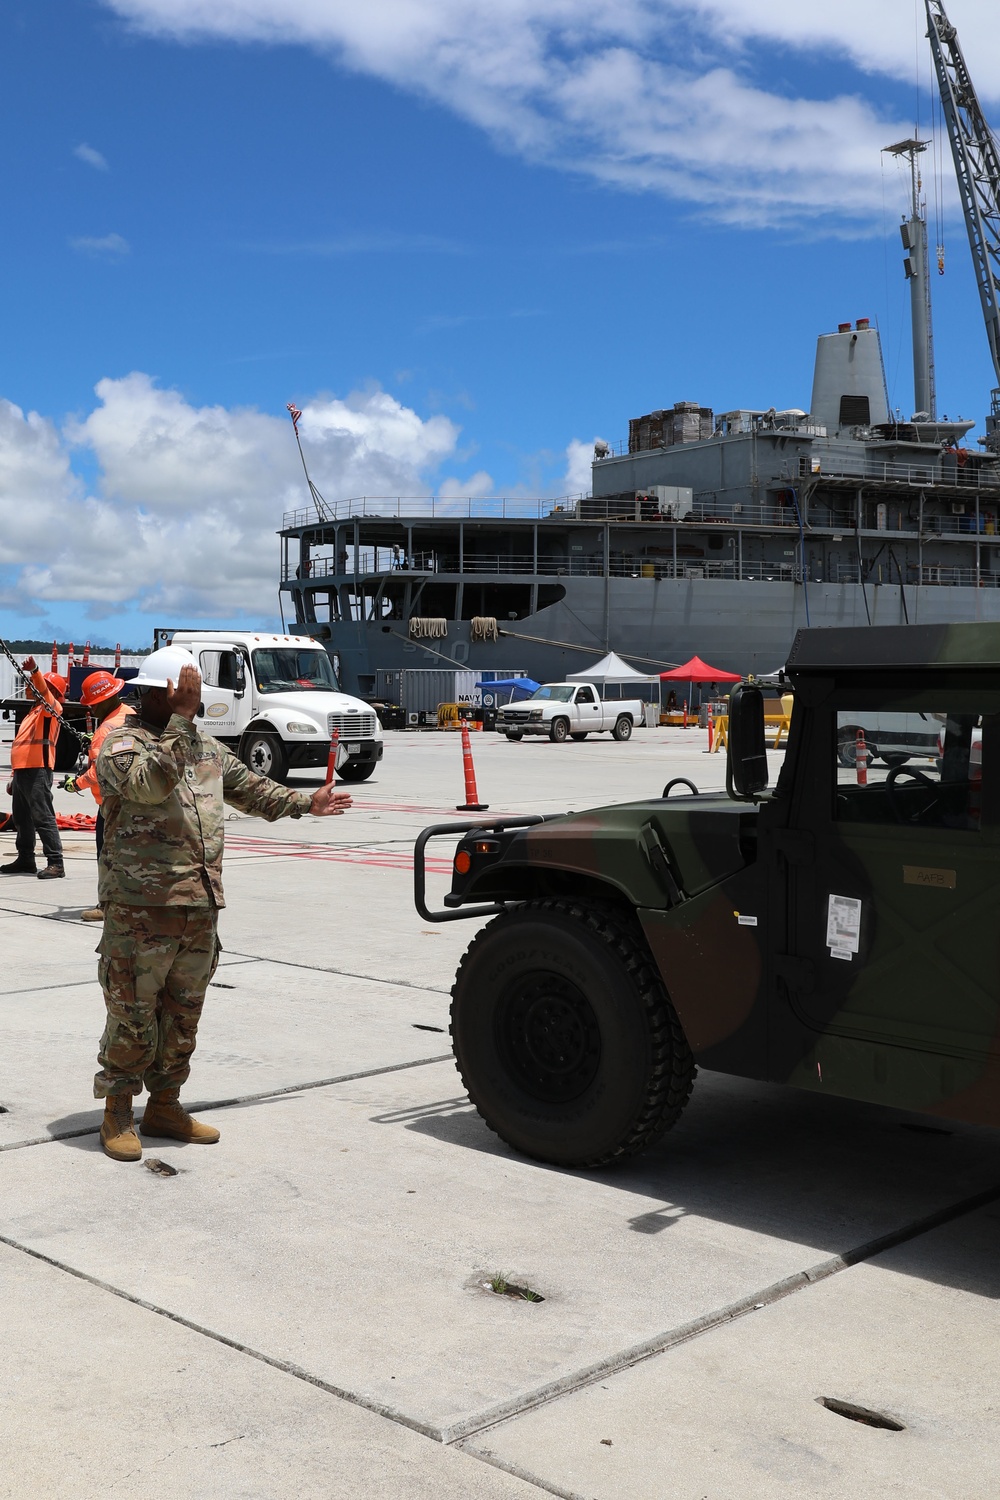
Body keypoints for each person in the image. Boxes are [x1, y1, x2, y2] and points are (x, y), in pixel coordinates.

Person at [93, 645, 353, 1163]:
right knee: (132, 1012)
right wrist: (183, 725)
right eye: (185, 696)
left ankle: (165, 1104)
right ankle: (118, 1110)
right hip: (141, 909)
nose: (194, 703)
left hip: (199, 905)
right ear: (158, 694)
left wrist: (307, 803)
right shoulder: (122, 744)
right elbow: (149, 786)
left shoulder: (205, 748)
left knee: (184, 1013)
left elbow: (251, 788)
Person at [64, 669, 130, 922]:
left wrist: (75, 784)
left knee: (107, 857)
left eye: (92, 705)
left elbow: (98, 770)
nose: (90, 710)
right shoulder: (129, 716)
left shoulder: (106, 729)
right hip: (133, 801)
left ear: (104, 700)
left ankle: (107, 906)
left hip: (111, 805)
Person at [1, 656, 68, 880]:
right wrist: (14, 776)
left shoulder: (52, 708)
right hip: (24, 771)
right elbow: (23, 746)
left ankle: (56, 863)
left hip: (38, 770)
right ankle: (26, 858)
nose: (31, 687)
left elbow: (45, 693)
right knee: (22, 819)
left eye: (37, 685)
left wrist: (36, 671)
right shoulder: (34, 712)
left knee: (43, 817)